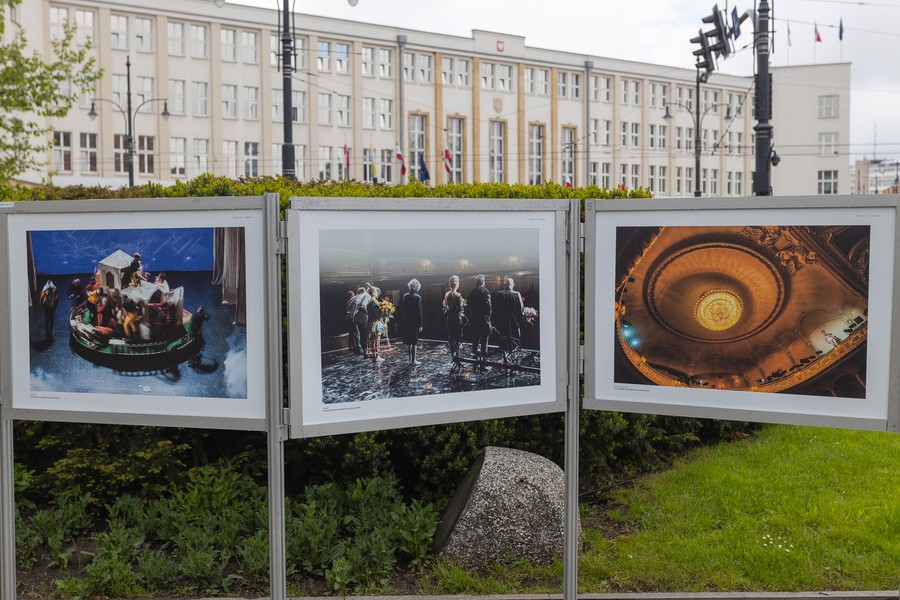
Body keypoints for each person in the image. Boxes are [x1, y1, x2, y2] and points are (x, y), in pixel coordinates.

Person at [494, 277, 525, 361]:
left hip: (502, 320)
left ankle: (505, 355)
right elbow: (521, 309)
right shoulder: (516, 294)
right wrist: (518, 320)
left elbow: (496, 308)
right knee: (514, 339)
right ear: (513, 284)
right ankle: (514, 357)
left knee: (504, 338)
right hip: (513, 320)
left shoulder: (500, 294)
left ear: (505, 285)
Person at [466, 274, 492, 368]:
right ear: (483, 282)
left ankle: (474, 361)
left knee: (475, 340)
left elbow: (469, 306)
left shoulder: (472, 292)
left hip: (474, 318)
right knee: (484, 340)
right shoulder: (485, 292)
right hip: (483, 319)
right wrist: (488, 318)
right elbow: (489, 307)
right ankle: (483, 362)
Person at [401, 278, 424, 365]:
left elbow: (403, 310)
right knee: (414, 341)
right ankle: (414, 361)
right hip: (414, 322)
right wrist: (420, 324)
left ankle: (410, 360)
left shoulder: (405, 296)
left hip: (407, 321)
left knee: (409, 341)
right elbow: (419, 312)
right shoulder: (418, 297)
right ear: (417, 287)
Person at [443, 275, 465, 360]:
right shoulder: (458, 295)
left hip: (449, 318)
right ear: (457, 284)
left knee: (451, 338)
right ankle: (458, 356)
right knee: (458, 337)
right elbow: (460, 309)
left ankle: (453, 357)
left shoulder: (446, 294)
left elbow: (445, 306)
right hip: (457, 318)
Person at [350, 286, 371, 357]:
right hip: (363, 317)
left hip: (357, 317)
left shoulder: (356, 297)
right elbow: (363, 306)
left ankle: (365, 351)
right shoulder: (367, 295)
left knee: (362, 335)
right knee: (365, 335)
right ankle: (367, 351)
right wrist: (368, 313)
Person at [366, 286, 384, 361]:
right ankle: (377, 356)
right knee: (376, 339)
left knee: (372, 339)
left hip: (370, 322)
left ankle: (374, 355)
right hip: (375, 322)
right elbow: (378, 314)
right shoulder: (375, 302)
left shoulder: (369, 301)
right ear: (374, 293)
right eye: (376, 292)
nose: (377, 294)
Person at [344, 290, 359, 354]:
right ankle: (356, 347)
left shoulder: (348, 301)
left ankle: (351, 347)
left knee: (351, 333)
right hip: (351, 319)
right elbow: (353, 310)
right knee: (355, 333)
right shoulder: (353, 300)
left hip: (347, 319)